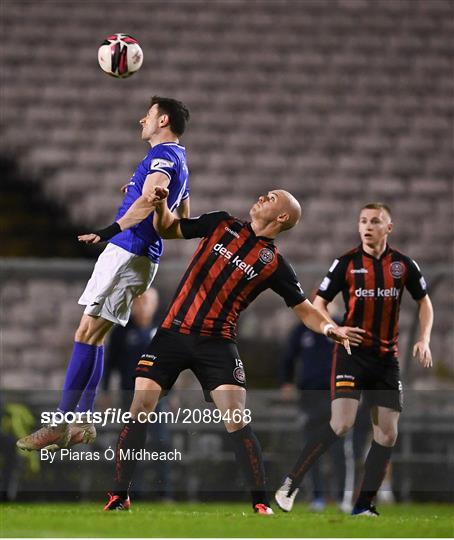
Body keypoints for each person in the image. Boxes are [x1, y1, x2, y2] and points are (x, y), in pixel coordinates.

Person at [103, 186, 352, 515]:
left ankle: (260, 501)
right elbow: (169, 228)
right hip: (173, 332)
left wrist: (329, 327)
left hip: (217, 343)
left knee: (236, 419)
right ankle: (120, 495)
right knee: (141, 405)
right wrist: (161, 205)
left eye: (272, 197)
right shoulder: (221, 223)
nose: (262, 195)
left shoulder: (274, 263)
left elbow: (305, 309)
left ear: (282, 217)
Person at [17, 96, 190, 452]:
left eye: (149, 114)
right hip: (141, 256)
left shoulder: (162, 157)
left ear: (164, 120)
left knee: (86, 333)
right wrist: (150, 204)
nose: (142, 119)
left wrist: (113, 228)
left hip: (128, 250)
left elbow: (146, 201)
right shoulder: (181, 163)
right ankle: (82, 421)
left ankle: (63, 422)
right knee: (93, 336)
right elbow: (178, 226)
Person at [275, 202, 433, 516]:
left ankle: (364, 505)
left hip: (387, 359)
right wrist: (333, 328)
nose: (368, 226)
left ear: (389, 228)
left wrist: (424, 338)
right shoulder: (345, 263)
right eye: (363, 221)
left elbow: (424, 302)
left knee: (387, 433)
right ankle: (291, 482)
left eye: (375, 221)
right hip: (351, 355)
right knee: (342, 423)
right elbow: (318, 303)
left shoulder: (403, 265)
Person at [280, 311, 349, 512]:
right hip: (309, 397)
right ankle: (317, 497)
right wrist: (287, 381)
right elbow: (287, 357)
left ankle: (341, 497)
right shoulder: (301, 330)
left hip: (336, 395)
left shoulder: (339, 326)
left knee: (339, 449)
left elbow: (356, 356)